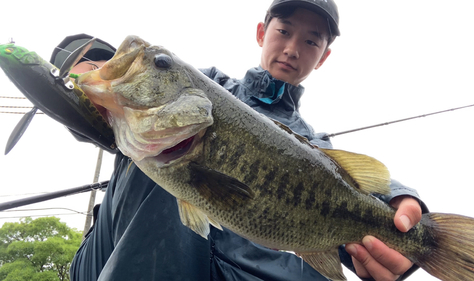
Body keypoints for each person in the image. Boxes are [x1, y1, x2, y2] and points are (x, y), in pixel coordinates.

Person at [49, 1, 428, 280]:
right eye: (284, 31)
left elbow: (360, 187)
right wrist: (83, 81)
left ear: (323, 57)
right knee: (162, 157)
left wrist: (403, 212)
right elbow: (91, 114)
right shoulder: (203, 84)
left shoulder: (315, 143)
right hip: (119, 257)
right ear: (262, 33)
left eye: (311, 41)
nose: (293, 49)